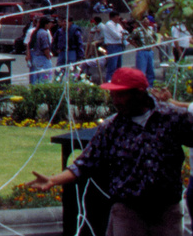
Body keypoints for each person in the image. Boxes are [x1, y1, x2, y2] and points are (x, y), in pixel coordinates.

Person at [28, 67, 193, 236]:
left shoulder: (172, 118)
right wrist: (53, 180)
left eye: (121, 94)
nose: (115, 100)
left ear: (139, 93)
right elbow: (84, 164)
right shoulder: (111, 128)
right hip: (128, 213)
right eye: (113, 95)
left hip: (167, 214)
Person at [102, 10, 128, 77]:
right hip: (112, 46)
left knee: (118, 66)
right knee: (112, 66)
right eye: (117, 16)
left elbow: (124, 33)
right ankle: (109, 81)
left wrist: (121, 34)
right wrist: (121, 34)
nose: (118, 18)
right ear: (113, 17)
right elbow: (117, 36)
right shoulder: (109, 24)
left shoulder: (118, 25)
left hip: (119, 46)